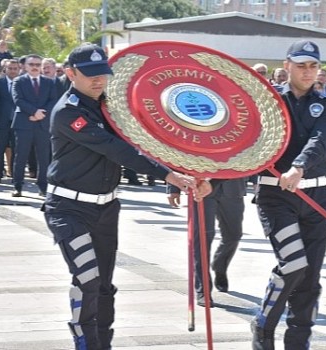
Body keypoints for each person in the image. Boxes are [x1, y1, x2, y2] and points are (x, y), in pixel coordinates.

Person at [43, 43, 209, 350]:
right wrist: (168, 174)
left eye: (102, 74)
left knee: (104, 286)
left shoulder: (112, 107)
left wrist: (178, 177)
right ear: (70, 73)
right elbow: (117, 149)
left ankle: (102, 343)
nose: (98, 81)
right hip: (69, 208)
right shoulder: (68, 112)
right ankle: (86, 343)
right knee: (88, 279)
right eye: (90, 75)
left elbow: (151, 138)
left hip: (106, 209)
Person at [251, 40, 326, 350]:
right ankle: (263, 325)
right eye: (300, 65)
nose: (307, 71)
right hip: (276, 197)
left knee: (310, 277)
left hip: (315, 197)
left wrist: (299, 167)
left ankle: (298, 342)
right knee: (293, 263)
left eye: (313, 65)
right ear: (287, 65)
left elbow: (320, 140)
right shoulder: (268, 102)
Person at [168, 178, 246, 307]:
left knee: (234, 235)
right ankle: (203, 289)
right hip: (200, 189)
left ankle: (220, 265)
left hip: (233, 189)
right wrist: (174, 188)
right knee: (202, 238)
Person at [11, 54, 58, 197]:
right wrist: (33, 112)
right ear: (25, 66)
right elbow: (18, 99)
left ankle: (43, 187)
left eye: (38, 65)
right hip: (24, 123)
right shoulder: (19, 81)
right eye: (32, 65)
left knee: (44, 157)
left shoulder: (48, 82)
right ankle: (17, 186)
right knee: (21, 156)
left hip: (43, 123)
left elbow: (53, 100)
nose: (35, 67)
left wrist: (41, 114)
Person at [0, 59, 19, 184]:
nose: (12, 71)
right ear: (5, 69)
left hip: (18, 122)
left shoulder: (22, 82)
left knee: (16, 149)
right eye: (10, 68)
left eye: (15, 68)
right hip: (1, 121)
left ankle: (14, 174)